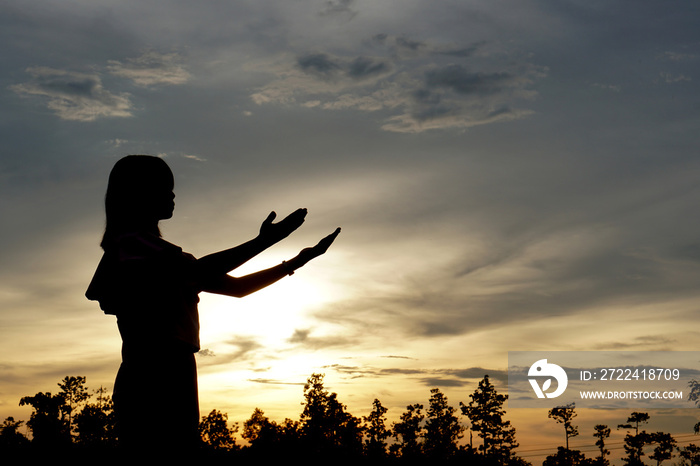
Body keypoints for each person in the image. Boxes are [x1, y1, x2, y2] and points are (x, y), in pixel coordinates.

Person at [85, 155, 340, 457]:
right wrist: (265, 241)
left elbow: (237, 288)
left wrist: (298, 260)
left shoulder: (158, 255)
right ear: (139, 193)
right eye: (165, 187)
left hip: (171, 372)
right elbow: (202, 271)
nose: (173, 195)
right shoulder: (132, 248)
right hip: (153, 377)